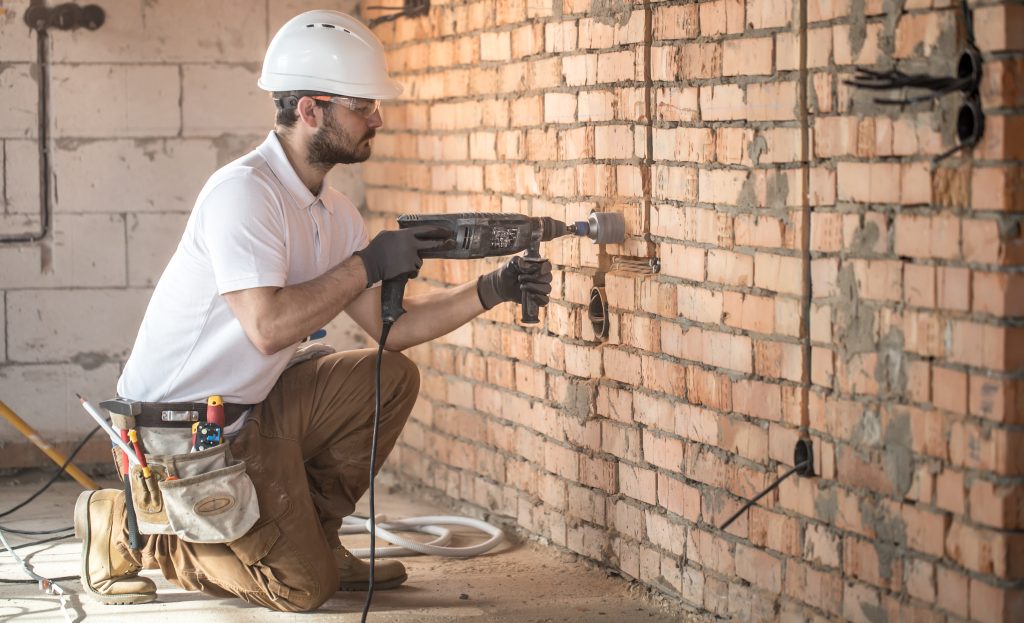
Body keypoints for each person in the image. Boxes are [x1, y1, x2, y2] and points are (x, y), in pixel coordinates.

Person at [73, 10, 552, 612]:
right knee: (302, 590)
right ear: (310, 110)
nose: (376, 118)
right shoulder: (243, 193)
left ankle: (318, 536)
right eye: (363, 106)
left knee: (388, 377)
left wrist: (493, 288)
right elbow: (268, 329)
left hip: (254, 408)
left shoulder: (334, 212)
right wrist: (368, 264)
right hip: (178, 430)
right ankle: (127, 523)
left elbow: (391, 330)